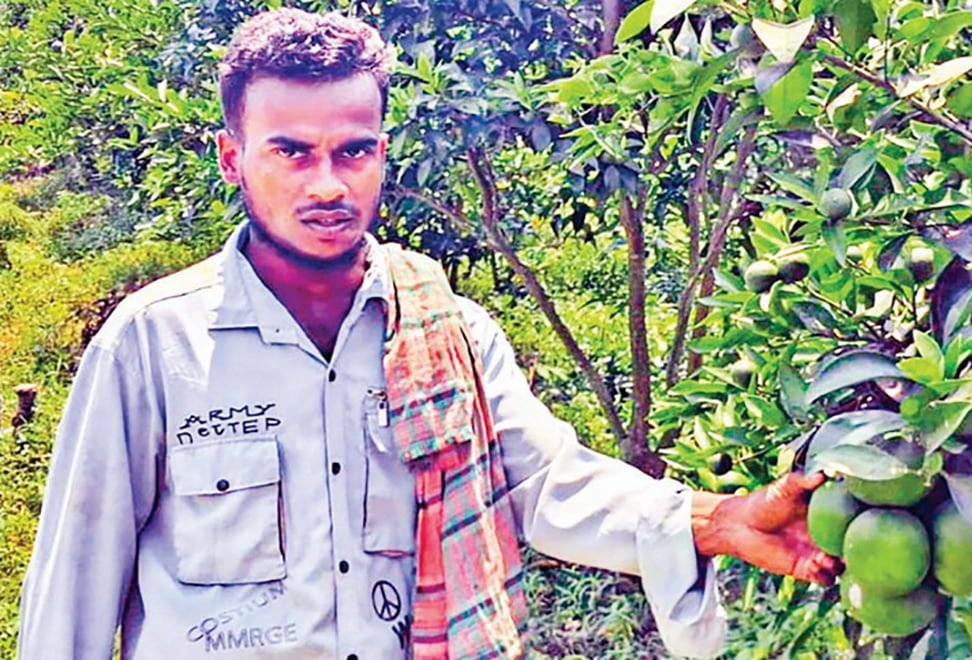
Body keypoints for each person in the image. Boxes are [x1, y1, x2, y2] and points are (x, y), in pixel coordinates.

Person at [18, 8, 838, 659]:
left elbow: (547, 484)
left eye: (353, 151)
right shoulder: (153, 347)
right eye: (292, 153)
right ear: (234, 160)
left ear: (382, 153)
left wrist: (719, 520)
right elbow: (74, 587)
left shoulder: (449, 332)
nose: (327, 183)